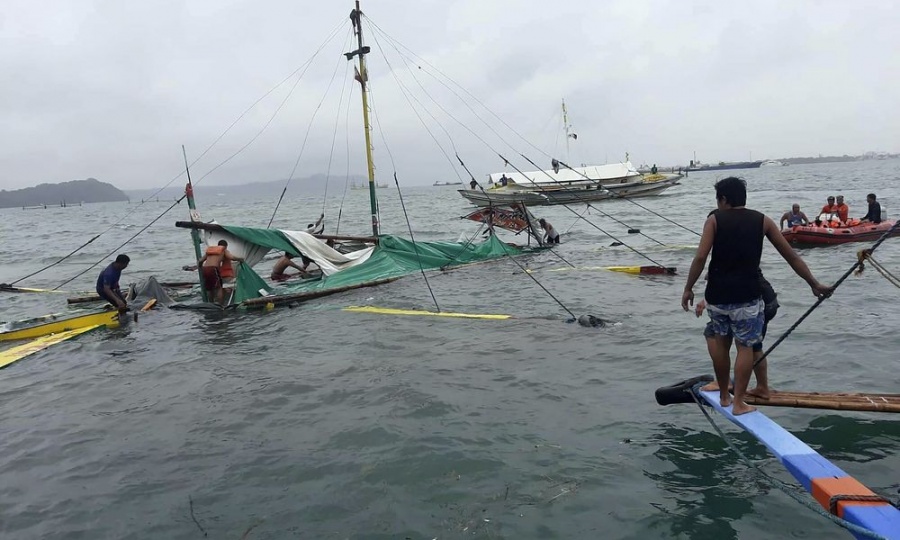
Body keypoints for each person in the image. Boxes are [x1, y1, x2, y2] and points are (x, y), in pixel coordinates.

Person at [681, 177, 832, 415]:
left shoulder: (714, 220)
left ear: (723, 199)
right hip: (747, 296)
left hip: (717, 296)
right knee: (745, 346)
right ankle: (739, 402)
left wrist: (688, 287)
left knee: (721, 342)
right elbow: (791, 256)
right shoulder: (763, 221)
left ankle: (723, 396)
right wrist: (813, 283)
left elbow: (700, 257)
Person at [197, 240, 244, 306]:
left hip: (205, 269)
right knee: (219, 287)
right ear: (226, 246)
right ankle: (220, 305)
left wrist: (199, 266)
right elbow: (232, 257)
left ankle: (211, 304)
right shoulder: (224, 250)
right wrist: (240, 259)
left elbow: (200, 261)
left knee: (210, 288)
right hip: (213, 269)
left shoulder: (211, 250)